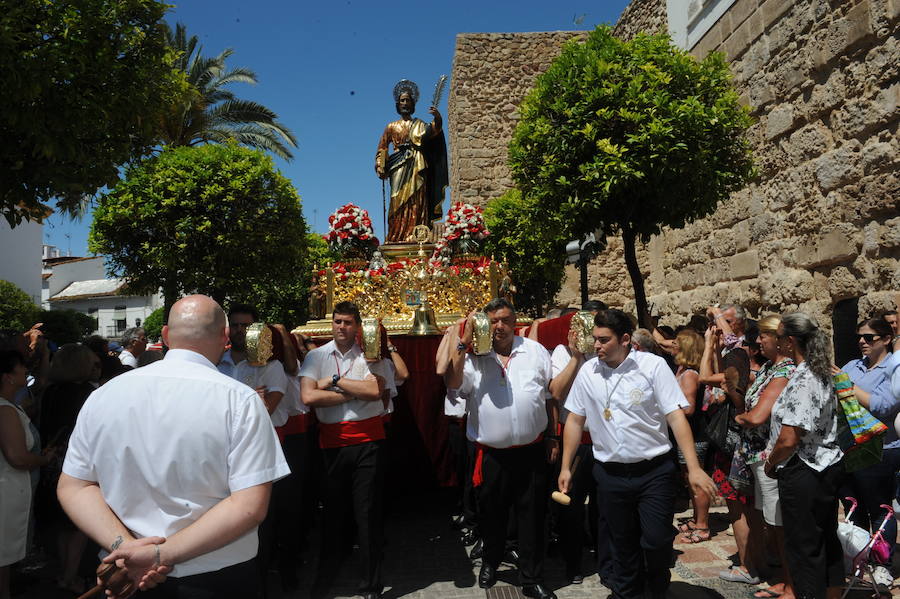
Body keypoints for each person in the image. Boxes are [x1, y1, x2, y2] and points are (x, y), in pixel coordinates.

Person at [57, 295, 289, 599]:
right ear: (225, 338)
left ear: (166, 335)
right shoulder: (240, 400)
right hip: (214, 576)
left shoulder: (104, 394)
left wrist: (125, 546)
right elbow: (249, 505)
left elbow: (74, 486)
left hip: (128, 570)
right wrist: (150, 555)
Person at [559, 309, 716, 599]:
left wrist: (693, 468)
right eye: (595, 339)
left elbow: (676, 417)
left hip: (654, 472)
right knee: (622, 544)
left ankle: (657, 588)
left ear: (626, 339)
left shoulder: (653, 366)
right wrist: (566, 466)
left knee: (656, 541)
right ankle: (626, 593)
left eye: (604, 340)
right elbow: (574, 420)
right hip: (610, 475)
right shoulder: (587, 372)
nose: (597, 346)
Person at [447, 298, 559, 599]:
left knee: (533, 516)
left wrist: (552, 436)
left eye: (505, 320)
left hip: (531, 450)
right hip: (492, 454)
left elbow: (549, 397)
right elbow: (453, 381)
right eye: (493, 320)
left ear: (514, 321)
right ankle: (491, 561)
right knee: (492, 515)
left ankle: (531, 577)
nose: (499, 326)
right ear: (484, 323)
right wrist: (464, 342)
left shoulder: (534, 351)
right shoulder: (473, 357)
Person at [300, 302, 386, 599]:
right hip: (331, 443)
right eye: (337, 321)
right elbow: (308, 396)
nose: (341, 327)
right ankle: (327, 575)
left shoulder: (371, 353)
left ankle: (371, 585)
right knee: (333, 514)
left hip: (367, 441)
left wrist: (335, 382)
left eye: (348, 322)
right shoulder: (316, 356)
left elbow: (376, 391)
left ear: (357, 326)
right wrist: (353, 393)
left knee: (367, 515)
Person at [764, 312, 843, 599]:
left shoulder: (803, 378)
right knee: (826, 540)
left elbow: (789, 437)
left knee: (803, 547)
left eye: (779, 335)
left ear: (790, 342)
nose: (775, 340)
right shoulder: (820, 370)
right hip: (826, 465)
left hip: (804, 469)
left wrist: (771, 463)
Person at [733, 315, 796, 599]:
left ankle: (789, 582)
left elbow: (758, 416)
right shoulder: (769, 368)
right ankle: (780, 576)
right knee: (770, 520)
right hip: (757, 456)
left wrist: (741, 418)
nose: (758, 341)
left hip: (771, 457)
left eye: (763, 336)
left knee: (778, 522)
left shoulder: (785, 371)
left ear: (780, 340)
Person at [548, 308, 610, 586]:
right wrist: (576, 356)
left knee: (605, 504)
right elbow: (557, 392)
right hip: (577, 444)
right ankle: (572, 562)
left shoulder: (606, 354)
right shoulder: (561, 353)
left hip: (605, 440)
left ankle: (605, 557)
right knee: (571, 505)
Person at [838, 316, 899, 589]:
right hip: (850, 447)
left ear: (886, 340)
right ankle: (861, 559)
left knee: (880, 510)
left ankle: (883, 564)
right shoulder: (853, 365)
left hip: (881, 449)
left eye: (869, 337)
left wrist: (846, 386)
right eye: (860, 337)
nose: (862, 342)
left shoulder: (893, 368)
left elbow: (883, 405)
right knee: (854, 506)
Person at [38, 343, 101, 595]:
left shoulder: (49, 392)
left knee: (62, 523)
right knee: (77, 525)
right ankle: (70, 576)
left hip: (51, 463)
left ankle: (65, 571)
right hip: (77, 462)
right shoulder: (87, 392)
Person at [0, 350, 54, 599]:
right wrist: (44, 459)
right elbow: (17, 457)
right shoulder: (5, 410)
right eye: (21, 367)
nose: (25, 370)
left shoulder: (10, 407)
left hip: (10, 490)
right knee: (3, 555)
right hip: (6, 493)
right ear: (8, 377)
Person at [375, 79, 448, 243]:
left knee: (417, 199)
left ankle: (417, 235)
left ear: (413, 103)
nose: (405, 103)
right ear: (398, 104)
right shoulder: (391, 126)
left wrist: (438, 118)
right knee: (397, 202)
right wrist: (380, 166)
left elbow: (434, 132)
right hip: (398, 167)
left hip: (417, 165)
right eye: (402, 100)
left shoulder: (420, 124)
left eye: (408, 100)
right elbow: (382, 148)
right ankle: (396, 236)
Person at [673, 328, 711, 544]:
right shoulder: (683, 370)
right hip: (688, 434)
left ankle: (703, 525)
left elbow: (688, 408)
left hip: (694, 434)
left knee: (696, 480)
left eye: (678, 343)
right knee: (689, 479)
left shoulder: (689, 375)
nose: (674, 345)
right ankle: (697, 519)